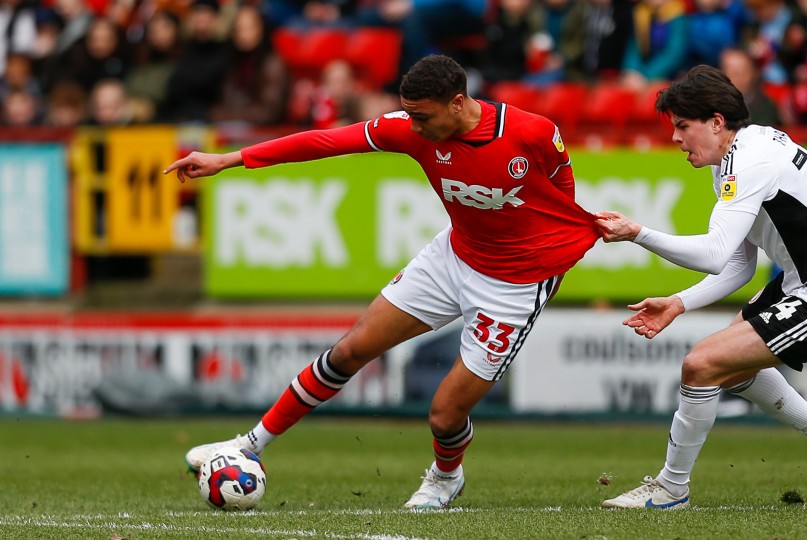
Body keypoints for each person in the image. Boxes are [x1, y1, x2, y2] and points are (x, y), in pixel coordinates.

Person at [163, 54, 600, 510]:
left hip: (514, 285)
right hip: (455, 256)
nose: (413, 127)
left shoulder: (530, 132)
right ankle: (248, 445)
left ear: (456, 103)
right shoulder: (412, 128)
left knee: (445, 413)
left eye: (422, 116)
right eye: (408, 114)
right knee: (350, 350)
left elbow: (562, 199)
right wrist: (229, 159)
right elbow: (326, 141)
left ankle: (445, 476)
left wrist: (550, 258)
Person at [594, 65, 807, 509]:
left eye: (682, 126)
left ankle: (671, 489)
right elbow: (738, 267)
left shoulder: (748, 163)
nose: (675, 138)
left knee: (701, 364)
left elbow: (712, 253)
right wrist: (678, 303)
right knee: (731, 365)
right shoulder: (741, 151)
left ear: (716, 122)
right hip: (801, 283)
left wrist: (638, 233)